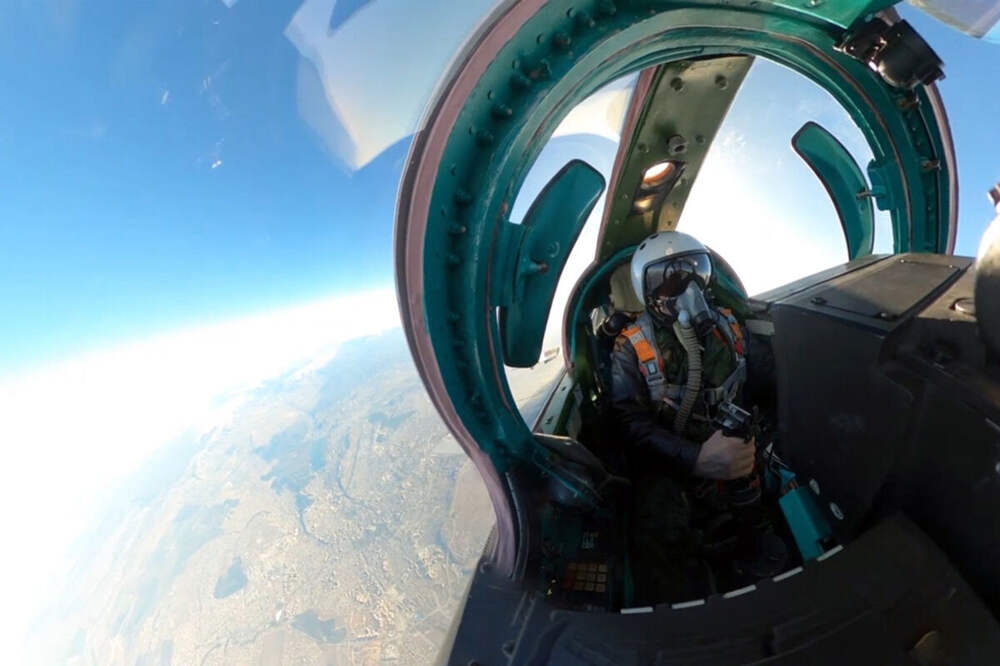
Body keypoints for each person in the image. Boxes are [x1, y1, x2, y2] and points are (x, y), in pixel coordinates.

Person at [609, 230, 783, 602]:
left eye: (696, 273)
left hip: (739, 448)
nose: (687, 289)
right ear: (647, 292)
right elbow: (628, 423)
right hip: (671, 462)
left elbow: (771, 384)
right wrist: (695, 458)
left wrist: (760, 440)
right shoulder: (632, 346)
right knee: (655, 521)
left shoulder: (730, 326)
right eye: (671, 281)